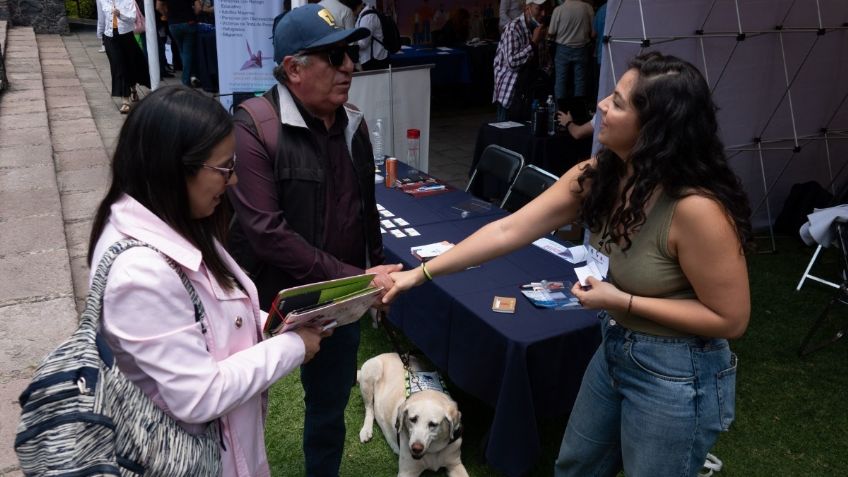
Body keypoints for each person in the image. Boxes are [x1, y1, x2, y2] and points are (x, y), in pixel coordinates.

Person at [385, 52, 752, 477]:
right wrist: (421, 273)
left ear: (654, 128)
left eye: (617, 101)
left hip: (677, 372)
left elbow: (730, 319)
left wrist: (623, 300)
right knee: (576, 467)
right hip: (615, 347)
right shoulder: (599, 174)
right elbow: (507, 231)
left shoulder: (696, 209)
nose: (600, 106)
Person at [86, 85, 325, 476]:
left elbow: (208, 319)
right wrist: (292, 346)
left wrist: (277, 322)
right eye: (224, 168)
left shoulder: (172, 220)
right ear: (175, 168)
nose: (232, 182)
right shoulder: (139, 274)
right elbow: (199, 396)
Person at [227, 5, 401, 476]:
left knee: (328, 409)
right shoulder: (253, 126)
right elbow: (267, 234)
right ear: (294, 69)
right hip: (266, 302)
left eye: (350, 53)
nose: (350, 65)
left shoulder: (353, 125)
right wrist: (357, 279)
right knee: (240, 409)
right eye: (336, 55)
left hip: (338, 298)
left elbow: (367, 214)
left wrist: (375, 276)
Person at [492, 0, 548, 121]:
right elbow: (512, 63)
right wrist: (533, 44)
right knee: (506, 135)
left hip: (530, 92)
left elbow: (544, 61)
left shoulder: (539, 29)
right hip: (511, 93)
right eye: (539, 9)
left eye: (545, 9)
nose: (543, 13)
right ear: (527, 8)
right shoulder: (513, 29)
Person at [100, 0, 151, 113]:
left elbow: (132, 19)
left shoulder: (128, 0)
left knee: (130, 64)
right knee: (118, 67)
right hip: (110, 37)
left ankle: (133, 89)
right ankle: (125, 101)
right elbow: (101, 19)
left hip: (126, 36)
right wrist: (100, 36)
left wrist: (120, 15)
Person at [547, 0, 594, 100]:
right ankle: (578, 111)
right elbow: (593, 33)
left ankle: (560, 111)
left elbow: (551, 32)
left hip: (562, 49)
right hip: (582, 49)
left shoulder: (558, 10)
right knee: (580, 81)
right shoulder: (587, 8)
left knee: (560, 81)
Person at [352, 0, 390, 71]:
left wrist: (350, 43)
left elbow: (363, 43)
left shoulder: (367, 18)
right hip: (372, 57)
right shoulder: (364, 15)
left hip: (374, 59)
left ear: (358, 6)